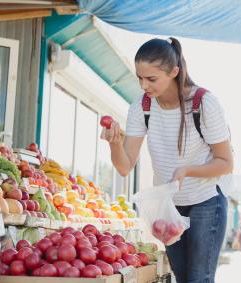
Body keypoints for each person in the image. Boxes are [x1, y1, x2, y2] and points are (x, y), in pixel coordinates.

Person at [100, 37, 233, 283]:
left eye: (151, 79)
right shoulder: (142, 107)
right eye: (139, 77)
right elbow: (124, 166)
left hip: (207, 201)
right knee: (181, 279)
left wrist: (187, 170)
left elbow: (226, 162)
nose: (144, 85)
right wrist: (115, 142)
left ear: (174, 72)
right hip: (169, 205)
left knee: (198, 279)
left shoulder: (203, 103)